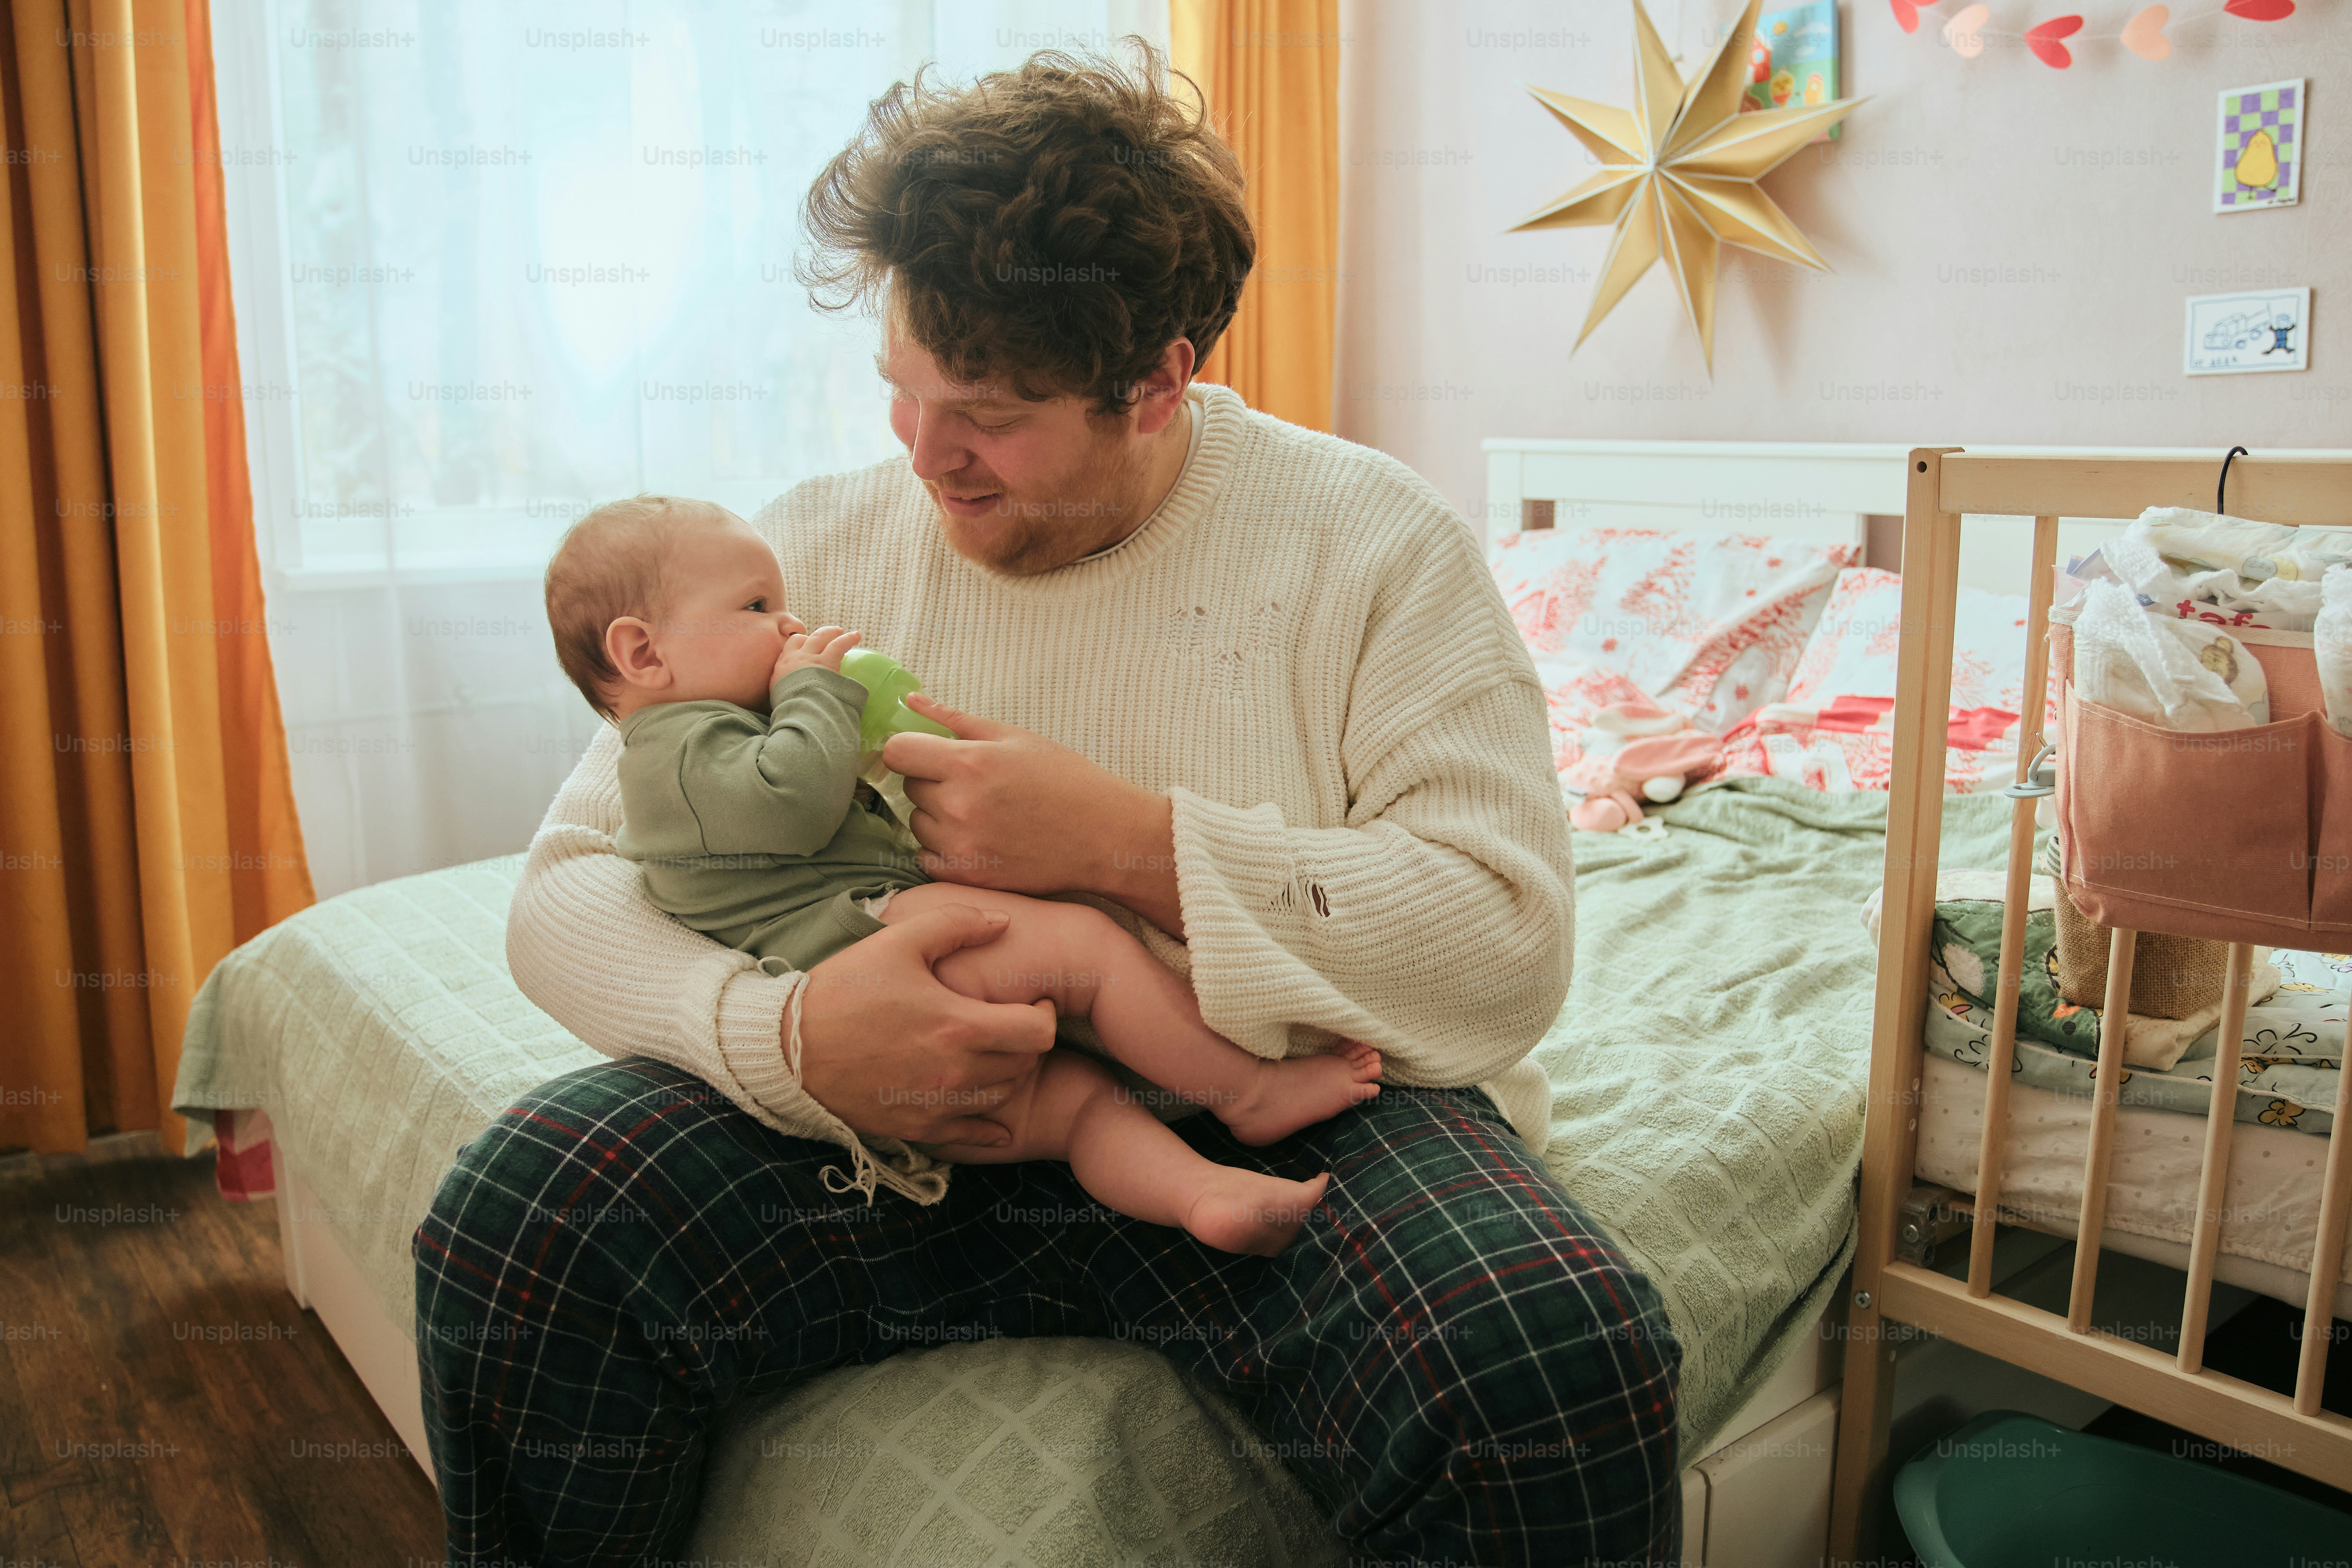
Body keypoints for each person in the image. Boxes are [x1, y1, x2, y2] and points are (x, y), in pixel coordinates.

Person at [416, 42, 1682, 1567]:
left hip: (1277, 1109)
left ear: (1157, 382)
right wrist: (789, 1036)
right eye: (901, 391)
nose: (925, 455)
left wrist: (1135, 851)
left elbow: (1506, 944)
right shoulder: (806, 553)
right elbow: (566, 890)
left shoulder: (1374, 546)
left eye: (991, 414)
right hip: (888, 1116)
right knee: (527, 1221)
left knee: (1551, 1356)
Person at [539, 493, 1382, 1254]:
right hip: (861, 953)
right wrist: (815, 696)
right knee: (1087, 949)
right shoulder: (681, 751)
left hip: (894, 1021)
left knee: (1081, 1105)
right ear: (643, 651)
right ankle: (1248, 1090)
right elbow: (789, 804)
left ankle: (1202, 1195)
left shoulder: (701, 744)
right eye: (758, 608)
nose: (792, 626)